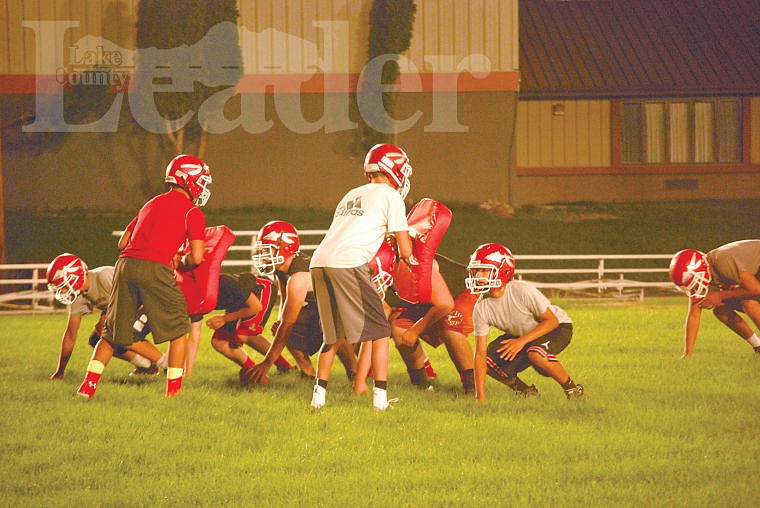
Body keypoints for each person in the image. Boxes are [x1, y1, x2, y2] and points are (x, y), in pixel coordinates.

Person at [75, 154, 212, 399]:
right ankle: (174, 393)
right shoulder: (192, 212)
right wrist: (179, 260)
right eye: (201, 180)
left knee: (112, 331)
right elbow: (197, 258)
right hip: (155, 267)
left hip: (125, 265)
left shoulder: (151, 203)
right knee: (179, 328)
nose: (202, 186)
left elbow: (123, 242)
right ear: (189, 180)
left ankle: (87, 387)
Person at [309, 143, 414, 410]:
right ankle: (380, 399)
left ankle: (318, 398)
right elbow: (405, 250)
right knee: (380, 329)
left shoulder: (351, 193)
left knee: (332, 334)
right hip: (348, 262)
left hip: (319, 262)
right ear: (396, 169)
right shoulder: (391, 197)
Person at [467, 243, 584, 400]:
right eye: (476, 271)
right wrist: (479, 399)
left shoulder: (521, 291)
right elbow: (480, 355)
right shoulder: (481, 308)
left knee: (536, 354)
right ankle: (525, 391)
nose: (478, 277)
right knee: (488, 362)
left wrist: (520, 342)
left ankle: (573, 390)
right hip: (522, 334)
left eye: (485, 270)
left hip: (556, 327)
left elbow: (552, 321)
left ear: (504, 270)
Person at [247, 221, 357, 383]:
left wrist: (267, 362)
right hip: (327, 308)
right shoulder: (284, 268)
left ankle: (354, 372)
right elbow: (286, 300)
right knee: (284, 326)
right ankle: (307, 372)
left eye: (267, 249)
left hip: (350, 310)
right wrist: (280, 321)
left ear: (285, 247)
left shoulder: (298, 277)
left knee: (327, 324)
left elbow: (288, 324)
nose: (263, 254)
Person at [46, 253, 167, 380]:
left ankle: (169, 364)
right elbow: (71, 334)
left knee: (124, 333)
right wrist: (60, 371)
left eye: (63, 287)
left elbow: (136, 294)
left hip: (151, 301)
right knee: (97, 338)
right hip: (132, 307)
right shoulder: (78, 296)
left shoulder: (104, 276)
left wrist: (107, 316)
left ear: (75, 276)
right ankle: (145, 366)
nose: (63, 292)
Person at [388, 253, 479, 394]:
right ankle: (421, 384)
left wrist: (415, 331)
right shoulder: (385, 264)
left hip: (463, 291)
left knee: (451, 324)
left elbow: (444, 305)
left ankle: (472, 387)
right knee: (399, 327)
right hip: (432, 301)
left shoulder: (411, 261)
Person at [669, 240, 760, 357]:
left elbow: (756, 289)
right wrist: (687, 354)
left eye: (694, 283)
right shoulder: (707, 269)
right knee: (720, 310)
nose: (695, 287)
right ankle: (758, 346)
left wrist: (720, 295)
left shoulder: (723, 262)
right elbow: (694, 315)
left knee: (748, 302)